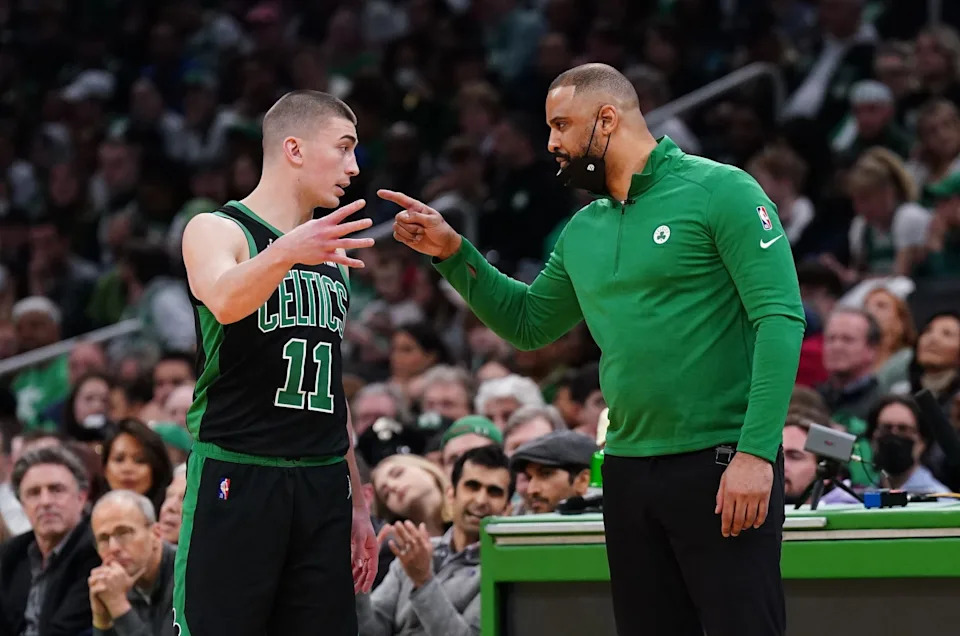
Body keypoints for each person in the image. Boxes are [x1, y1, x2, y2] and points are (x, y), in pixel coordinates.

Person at [383, 63, 805, 636]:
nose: (551, 143)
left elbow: (779, 317)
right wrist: (455, 253)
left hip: (721, 459)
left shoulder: (721, 190)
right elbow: (529, 323)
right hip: (628, 469)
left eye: (561, 125)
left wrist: (757, 453)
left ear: (606, 120)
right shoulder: (583, 229)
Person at [176, 90, 378, 636]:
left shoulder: (331, 256)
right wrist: (288, 250)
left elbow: (331, 390)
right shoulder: (218, 230)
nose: (353, 167)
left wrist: (357, 502)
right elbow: (224, 298)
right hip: (240, 473)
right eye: (342, 148)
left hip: (320, 482)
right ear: (293, 148)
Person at [357, 445, 513, 636]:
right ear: (451, 494)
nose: (481, 500)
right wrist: (357, 579)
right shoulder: (413, 553)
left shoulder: (504, 569)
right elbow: (370, 631)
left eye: (494, 492)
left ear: (507, 509)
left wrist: (423, 581)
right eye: (472, 486)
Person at [0, 445, 100, 636]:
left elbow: (65, 631)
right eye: (34, 493)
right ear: (22, 504)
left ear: (82, 497)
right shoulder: (11, 554)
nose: (45, 502)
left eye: (56, 490)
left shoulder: (96, 550)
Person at [88, 490, 176, 636]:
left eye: (124, 533)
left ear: (156, 533)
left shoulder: (189, 575)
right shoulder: (114, 585)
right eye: (103, 539)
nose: (113, 548)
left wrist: (119, 606)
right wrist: (101, 620)